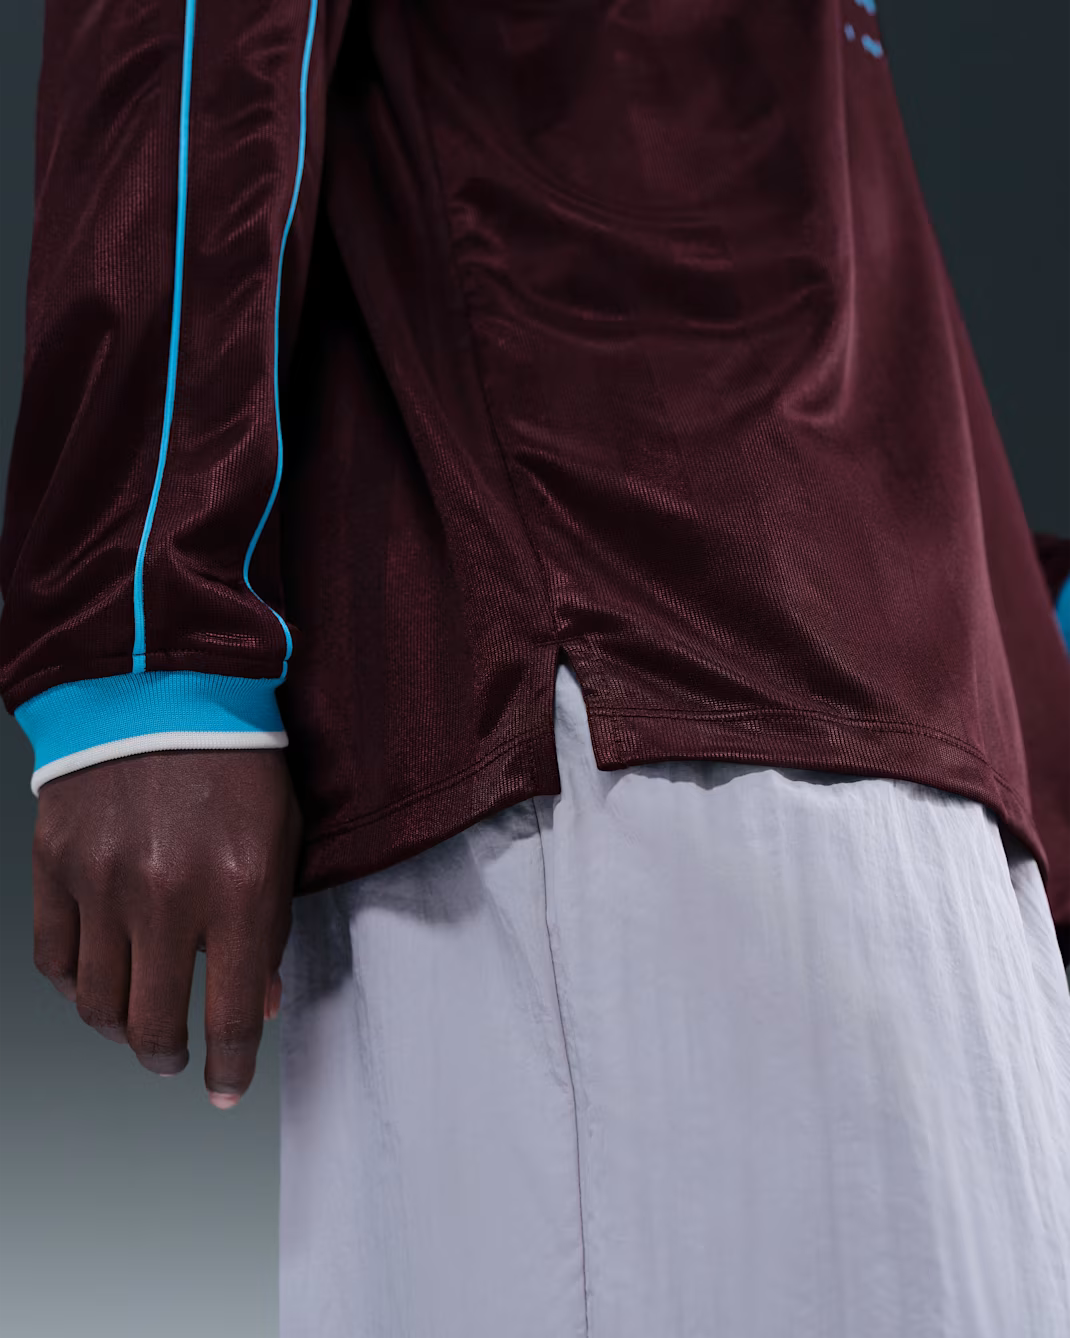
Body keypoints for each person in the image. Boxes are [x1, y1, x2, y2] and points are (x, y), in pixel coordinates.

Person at [3, 1, 1070, 1334]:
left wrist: (1026, 659)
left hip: (911, 786)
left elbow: (823, 240)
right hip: (612, 692)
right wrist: (145, 625)